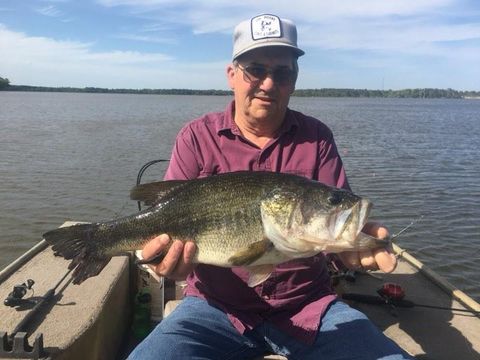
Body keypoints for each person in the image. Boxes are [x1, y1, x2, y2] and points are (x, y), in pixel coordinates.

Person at [128, 14, 413, 360]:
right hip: (213, 309)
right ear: (232, 75)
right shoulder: (196, 137)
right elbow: (164, 222)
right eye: (255, 69)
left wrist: (350, 252)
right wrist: (166, 263)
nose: (268, 83)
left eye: (282, 72)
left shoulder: (317, 138)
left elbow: (332, 235)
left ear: (294, 80)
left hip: (309, 307)